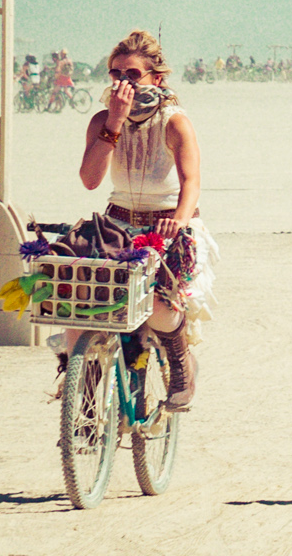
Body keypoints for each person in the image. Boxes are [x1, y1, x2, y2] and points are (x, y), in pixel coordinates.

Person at [70, 30, 214, 412]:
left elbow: (191, 181)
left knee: (156, 301)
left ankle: (180, 362)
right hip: (118, 224)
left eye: (133, 74)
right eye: (116, 74)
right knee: (80, 302)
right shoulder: (103, 120)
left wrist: (179, 220)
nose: (123, 82)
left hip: (167, 224)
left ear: (157, 79)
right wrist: (113, 123)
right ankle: (82, 401)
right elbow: (90, 180)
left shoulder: (174, 122)